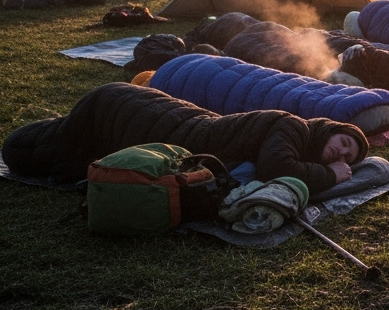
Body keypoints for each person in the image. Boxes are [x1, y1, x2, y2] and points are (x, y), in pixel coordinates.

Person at [2, 83, 368, 194]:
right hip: (142, 117)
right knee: (27, 153)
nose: (340, 152)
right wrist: (330, 175)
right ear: (330, 129)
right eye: (343, 143)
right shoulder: (294, 126)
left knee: (67, 146)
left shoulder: (298, 139)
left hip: (157, 119)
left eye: (346, 157)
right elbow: (278, 167)